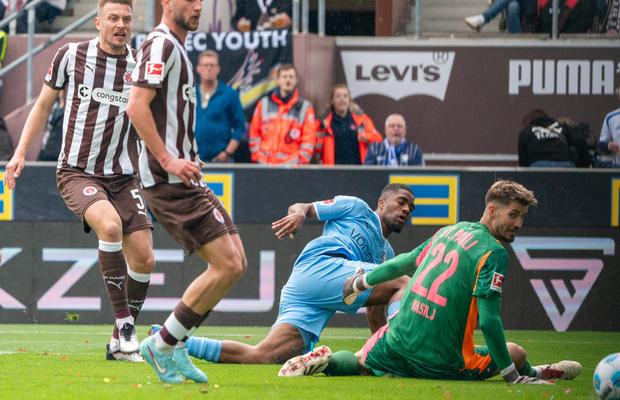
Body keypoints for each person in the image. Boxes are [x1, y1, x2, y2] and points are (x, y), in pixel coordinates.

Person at [278, 180, 582, 385]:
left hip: (397, 340)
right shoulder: (494, 252)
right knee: (514, 352)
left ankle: (325, 362)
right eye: (513, 214)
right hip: (442, 359)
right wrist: (513, 378)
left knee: (359, 361)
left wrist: (362, 282)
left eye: (522, 217)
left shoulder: (449, 231)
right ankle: (534, 373)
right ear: (492, 210)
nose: (518, 223)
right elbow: (489, 324)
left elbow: (404, 262)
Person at [3, 0, 154, 363]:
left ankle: (119, 344)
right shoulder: (71, 55)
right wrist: (20, 153)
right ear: (98, 21)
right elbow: (42, 105)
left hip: (123, 176)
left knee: (146, 259)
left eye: (126, 19)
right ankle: (127, 327)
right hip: (76, 170)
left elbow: (154, 120)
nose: (121, 25)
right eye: (113, 18)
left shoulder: (139, 67)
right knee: (110, 227)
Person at [126, 0, 247, 384]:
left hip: (185, 178)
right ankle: (162, 344)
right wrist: (169, 160)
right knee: (227, 265)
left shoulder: (175, 45)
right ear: (167, 0)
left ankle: (172, 346)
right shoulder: (161, 44)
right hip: (169, 181)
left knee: (237, 262)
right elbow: (136, 107)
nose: (198, 6)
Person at [178, 184, 415, 365]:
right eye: (401, 202)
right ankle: (401, 351)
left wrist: (381, 350)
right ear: (382, 203)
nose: (406, 209)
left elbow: (375, 313)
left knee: (261, 355)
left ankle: (174, 342)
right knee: (403, 281)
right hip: (320, 265)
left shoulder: (387, 254)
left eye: (410, 208)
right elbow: (304, 207)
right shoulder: (356, 208)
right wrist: (299, 214)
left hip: (310, 289)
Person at [249, 63, 316, 165]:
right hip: (264, 165)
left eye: (291, 77)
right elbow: (254, 133)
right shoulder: (264, 103)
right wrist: (257, 156)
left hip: (291, 168)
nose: (288, 80)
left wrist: (300, 162)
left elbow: (309, 140)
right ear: (278, 80)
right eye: (284, 77)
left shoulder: (305, 107)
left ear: (296, 80)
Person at [194, 50, 245, 163]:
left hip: (222, 160)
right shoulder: (191, 93)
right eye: (205, 65)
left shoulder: (229, 94)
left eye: (212, 65)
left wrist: (228, 152)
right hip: (193, 160)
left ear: (218, 68)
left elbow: (239, 126)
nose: (209, 68)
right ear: (198, 68)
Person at [315, 83, 382, 165]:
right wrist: (321, 130)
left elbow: (378, 139)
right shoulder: (323, 123)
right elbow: (315, 148)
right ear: (332, 101)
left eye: (345, 96)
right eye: (338, 96)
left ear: (349, 100)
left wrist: (366, 137)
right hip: (333, 171)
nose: (342, 99)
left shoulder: (362, 120)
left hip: (358, 170)